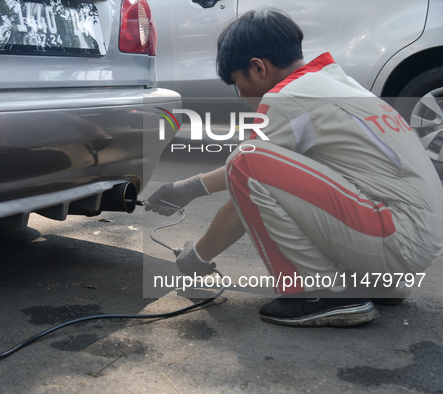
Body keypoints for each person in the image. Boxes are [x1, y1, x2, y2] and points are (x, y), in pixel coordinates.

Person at [146, 8, 443, 327]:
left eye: (237, 82)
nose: (241, 95)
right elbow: (275, 182)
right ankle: (373, 282)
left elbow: (245, 179)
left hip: (395, 237)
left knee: (247, 163)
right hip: (415, 244)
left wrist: (197, 257)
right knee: (254, 165)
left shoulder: (287, 99)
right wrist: (186, 189)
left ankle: (319, 292)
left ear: (258, 68)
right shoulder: (332, 83)